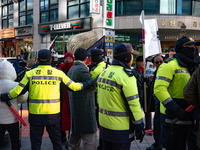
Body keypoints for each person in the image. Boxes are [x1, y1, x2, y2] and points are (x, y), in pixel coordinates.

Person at [0, 49, 91, 150]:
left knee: (36, 144)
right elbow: (73, 87)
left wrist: (7, 96)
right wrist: (86, 84)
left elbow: (18, 91)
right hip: (53, 115)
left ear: (38, 60)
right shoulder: (58, 73)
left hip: (35, 116)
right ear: (51, 59)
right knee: (56, 143)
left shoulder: (30, 74)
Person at [154, 36, 199, 150]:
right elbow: (159, 89)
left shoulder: (193, 66)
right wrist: (175, 108)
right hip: (173, 119)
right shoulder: (169, 65)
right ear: (181, 48)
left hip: (190, 117)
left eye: (194, 46)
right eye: (190, 46)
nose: (194, 49)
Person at [97, 43, 145, 150]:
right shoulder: (126, 76)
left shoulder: (104, 72)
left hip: (104, 126)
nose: (133, 58)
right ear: (127, 57)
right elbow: (134, 104)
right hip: (120, 129)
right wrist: (140, 126)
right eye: (132, 55)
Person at [67, 48, 97, 150]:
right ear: (86, 58)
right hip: (85, 110)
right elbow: (92, 85)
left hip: (75, 109)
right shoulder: (82, 69)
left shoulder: (72, 69)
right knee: (89, 142)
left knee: (74, 140)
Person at [0, 61, 28, 150]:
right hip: (12, 118)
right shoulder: (15, 85)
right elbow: (22, 100)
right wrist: (26, 92)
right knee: (15, 141)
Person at [88, 48, 107, 150]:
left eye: (90, 56)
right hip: (105, 99)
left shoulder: (95, 70)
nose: (89, 58)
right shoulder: (105, 66)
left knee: (100, 125)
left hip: (98, 100)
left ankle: (102, 145)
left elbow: (89, 83)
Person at [146, 55, 164, 150]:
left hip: (161, 100)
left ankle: (158, 144)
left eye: (161, 61)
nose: (159, 64)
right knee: (158, 123)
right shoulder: (156, 72)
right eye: (157, 62)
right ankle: (160, 142)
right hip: (157, 100)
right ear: (153, 64)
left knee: (158, 123)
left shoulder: (165, 71)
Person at [58, 52, 74, 147]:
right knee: (61, 117)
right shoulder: (60, 68)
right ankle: (62, 136)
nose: (67, 60)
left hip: (71, 96)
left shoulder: (74, 69)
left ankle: (71, 138)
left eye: (70, 58)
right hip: (61, 96)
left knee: (71, 117)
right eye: (66, 58)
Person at [132, 55, 152, 131]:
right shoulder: (134, 71)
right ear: (137, 62)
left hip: (146, 94)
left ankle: (149, 128)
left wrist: (148, 81)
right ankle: (137, 128)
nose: (144, 63)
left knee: (147, 111)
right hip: (137, 94)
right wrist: (141, 80)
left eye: (145, 62)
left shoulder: (147, 71)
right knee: (137, 111)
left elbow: (151, 82)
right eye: (142, 61)